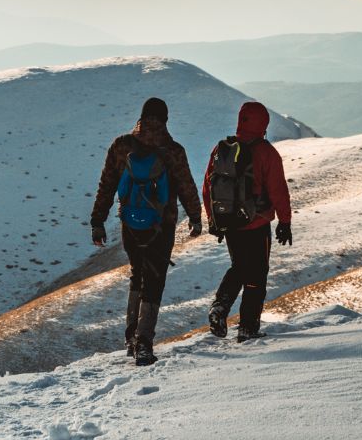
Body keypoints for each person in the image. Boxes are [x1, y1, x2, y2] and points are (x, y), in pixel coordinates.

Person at [91, 97, 203, 365]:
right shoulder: (172, 150)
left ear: (141, 117)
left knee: (137, 275)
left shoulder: (121, 146)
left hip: (130, 225)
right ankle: (144, 343)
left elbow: (106, 185)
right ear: (165, 119)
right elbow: (186, 186)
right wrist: (196, 218)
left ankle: (131, 338)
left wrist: (98, 221)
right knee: (154, 280)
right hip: (161, 227)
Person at [203, 101, 293, 342]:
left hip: (230, 223)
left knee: (239, 266)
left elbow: (208, 187)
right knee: (256, 275)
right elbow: (278, 190)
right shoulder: (266, 152)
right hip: (257, 223)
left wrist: (214, 219)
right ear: (263, 124)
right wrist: (285, 221)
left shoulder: (222, 149)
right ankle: (247, 328)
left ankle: (220, 307)